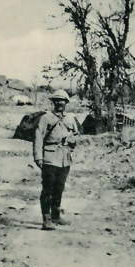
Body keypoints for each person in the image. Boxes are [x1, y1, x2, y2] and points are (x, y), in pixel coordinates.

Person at [33, 89, 79, 230]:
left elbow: (76, 134)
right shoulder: (46, 118)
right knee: (48, 188)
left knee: (59, 187)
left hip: (65, 157)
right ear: (53, 102)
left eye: (62, 100)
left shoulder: (70, 118)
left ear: (66, 103)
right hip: (50, 156)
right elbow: (38, 137)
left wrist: (73, 140)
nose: (60, 103)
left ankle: (56, 216)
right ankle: (46, 219)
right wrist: (38, 157)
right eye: (57, 100)